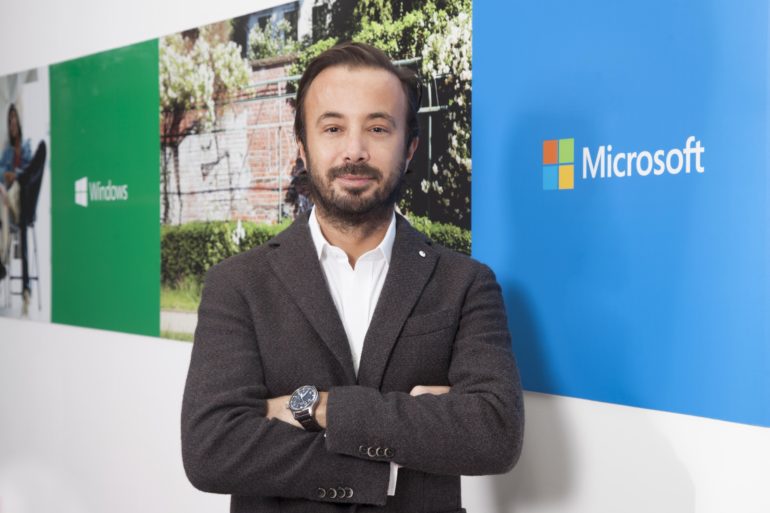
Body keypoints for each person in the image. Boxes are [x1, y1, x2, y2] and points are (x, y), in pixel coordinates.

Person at [182, 42, 524, 513]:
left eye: (378, 128)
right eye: (333, 128)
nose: (354, 151)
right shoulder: (238, 284)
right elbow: (212, 450)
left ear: (409, 148)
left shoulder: (465, 284)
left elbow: (494, 434)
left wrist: (317, 407)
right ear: (303, 147)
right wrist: (391, 460)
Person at [0, 103, 46, 315]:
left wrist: (17, 174)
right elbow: (1, 174)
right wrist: (8, 178)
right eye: (9, 120)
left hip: (26, 198)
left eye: (14, 118)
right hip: (11, 205)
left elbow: (30, 170)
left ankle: (26, 290)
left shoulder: (26, 145)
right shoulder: (6, 152)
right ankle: (26, 290)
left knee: (41, 150)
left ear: (19, 121)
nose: (12, 123)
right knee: (16, 184)